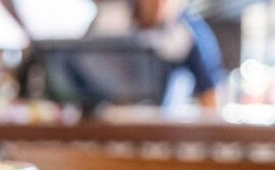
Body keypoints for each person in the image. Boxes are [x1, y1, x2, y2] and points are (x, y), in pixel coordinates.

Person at [93, 0, 224, 106]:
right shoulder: (112, 21)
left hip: (166, 125)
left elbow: (209, 94)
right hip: (114, 121)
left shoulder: (189, 32)